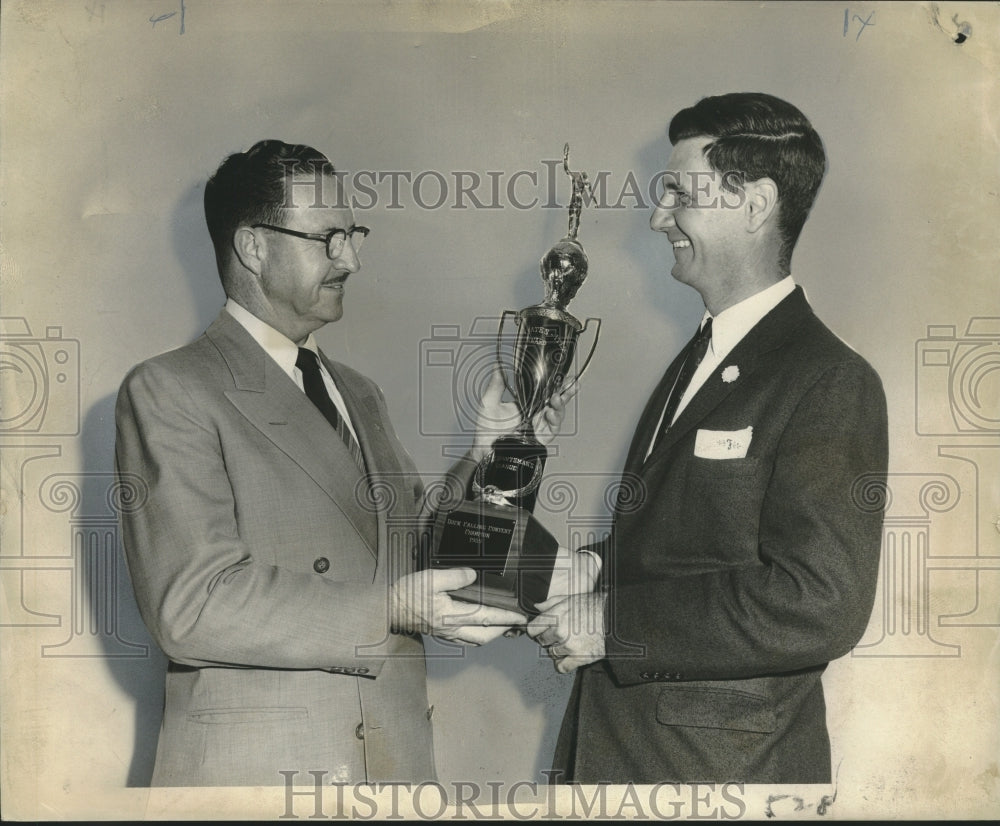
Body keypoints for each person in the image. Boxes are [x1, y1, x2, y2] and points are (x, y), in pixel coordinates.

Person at [115, 139, 570, 787]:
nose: (351, 258)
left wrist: (490, 452)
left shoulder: (356, 391)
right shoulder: (172, 389)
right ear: (253, 246)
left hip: (391, 772)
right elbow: (192, 606)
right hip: (262, 784)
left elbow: (420, 556)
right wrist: (388, 609)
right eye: (326, 238)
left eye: (352, 235)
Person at [527, 93, 889, 784]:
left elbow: (821, 601)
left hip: (718, 780)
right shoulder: (703, 357)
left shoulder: (827, 379)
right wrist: (597, 568)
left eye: (678, 194)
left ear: (755, 205)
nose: (659, 217)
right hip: (630, 765)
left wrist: (612, 624)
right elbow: (700, 544)